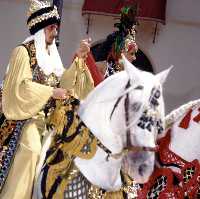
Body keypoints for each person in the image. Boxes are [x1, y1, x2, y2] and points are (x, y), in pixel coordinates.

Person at [0, 0, 95, 198]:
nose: (56, 32)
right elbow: (21, 87)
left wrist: (78, 59)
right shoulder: (23, 52)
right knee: (32, 150)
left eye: (56, 28)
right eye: (52, 27)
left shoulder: (52, 55)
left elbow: (63, 84)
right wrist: (50, 92)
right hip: (24, 119)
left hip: (50, 119)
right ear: (41, 28)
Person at [90, 5, 138, 78]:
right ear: (120, 53)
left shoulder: (130, 75)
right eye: (131, 53)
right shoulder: (103, 67)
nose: (134, 58)